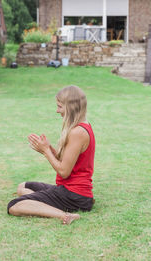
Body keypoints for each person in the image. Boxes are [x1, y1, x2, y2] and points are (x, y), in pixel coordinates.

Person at [7, 85, 95, 224]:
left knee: (14, 206)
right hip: (70, 191)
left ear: (70, 107)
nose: (57, 110)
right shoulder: (83, 126)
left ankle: (64, 215)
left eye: (60, 106)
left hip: (74, 195)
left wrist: (46, 152)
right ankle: (44, 204)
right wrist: (50, 148)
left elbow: (64, 171)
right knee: (23, 187)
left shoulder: (77, 132)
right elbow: (68, 160)